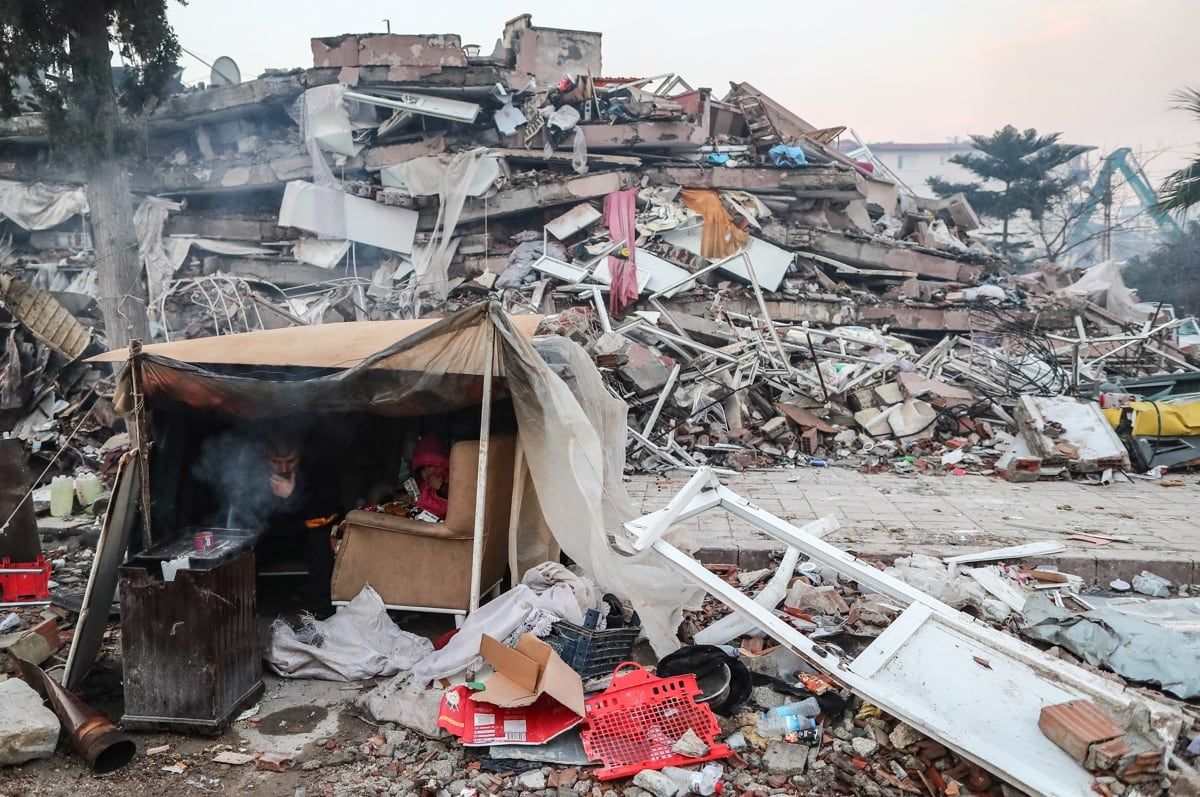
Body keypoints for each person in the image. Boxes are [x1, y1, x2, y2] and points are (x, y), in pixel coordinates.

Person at [253, 431, 339, 616]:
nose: (283, 468)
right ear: (265, 458)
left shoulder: (315, 471)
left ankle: (321, 614)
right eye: (276, 462)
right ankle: (249, 609)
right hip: (270, 538)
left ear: (299, 455)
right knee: (245, 547)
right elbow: (249, 515)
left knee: (321, 543)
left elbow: (329, 512)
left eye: (290, 461)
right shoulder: (253, 475)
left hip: (304, 536)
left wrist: (293, 496)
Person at [411, 435, 451, 521]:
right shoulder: (424, 485)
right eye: (422, 469)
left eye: (429, 466)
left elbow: (458, 501)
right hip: (421, 519)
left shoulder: (451, 481)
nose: (426, 472)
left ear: (440, 465)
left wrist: (441, 487)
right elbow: (419, 501)